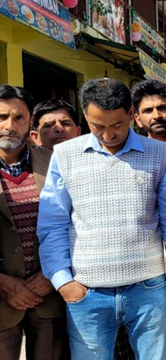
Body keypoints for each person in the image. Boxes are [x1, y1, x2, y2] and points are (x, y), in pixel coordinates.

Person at [37, 78, 166, 359]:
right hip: (87, 292)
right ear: (85, 116)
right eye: (98, 126)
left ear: (131, 115)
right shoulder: (65, 155)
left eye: (117, 125)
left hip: (149, 288)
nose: (108, 135)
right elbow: (53, 223)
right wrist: (63, 281)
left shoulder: (159, 153)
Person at [0, 85, 69, 360]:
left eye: (18, 118)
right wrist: (2, 283)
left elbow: (76, 224)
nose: (9, 126)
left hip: (48, 298)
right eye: (2, 117)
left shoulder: (56, 164)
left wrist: (55, 274)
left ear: (30, 123)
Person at [131, 79, 166, 160]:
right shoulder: (136, 159)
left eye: (162, 108)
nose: (157, 116)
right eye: (148, 111)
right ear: (138, 120)